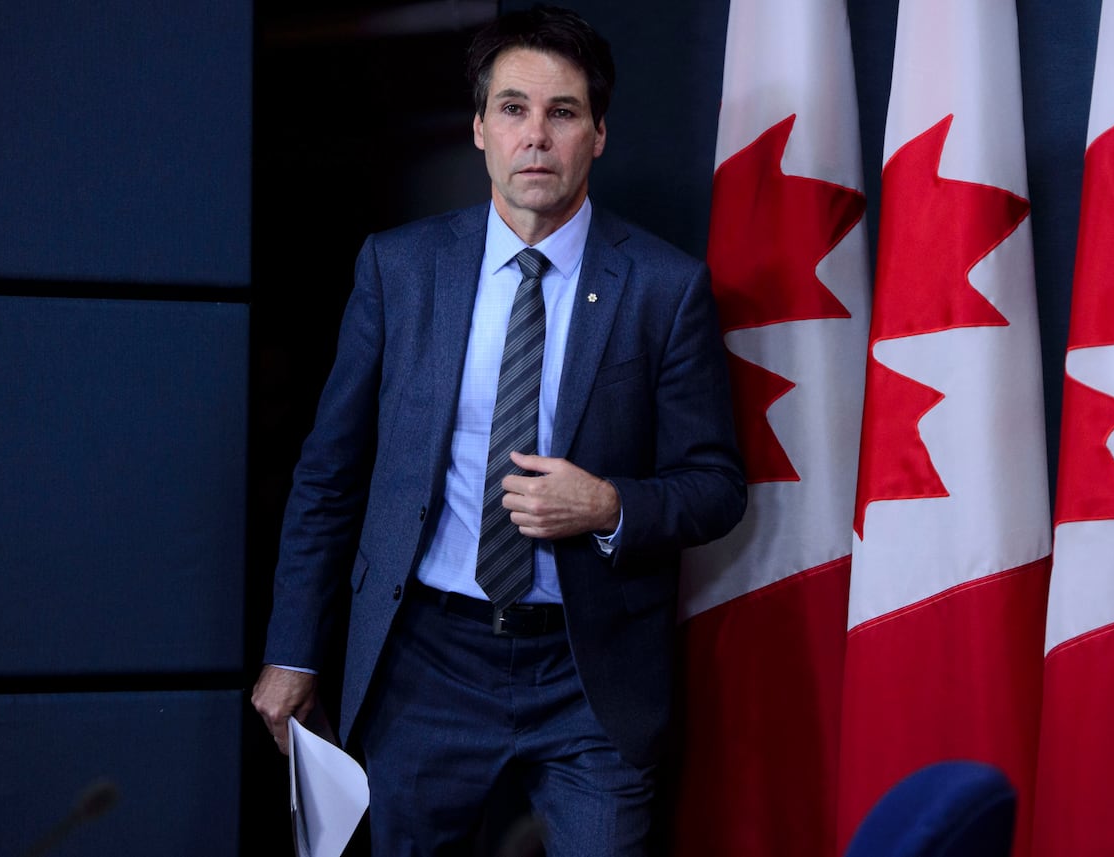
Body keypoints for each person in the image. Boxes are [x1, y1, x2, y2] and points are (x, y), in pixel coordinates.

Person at [251, 5, 745, 855]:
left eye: (563, 113)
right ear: (479, 127)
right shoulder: (399, 269)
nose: (537, 136)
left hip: (590, 673)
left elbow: (716, 484)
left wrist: (608, 504)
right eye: (513, 109)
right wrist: (292, 650)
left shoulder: (666, 288)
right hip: (426, 661)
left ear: (599, 134)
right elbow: (329, 474)